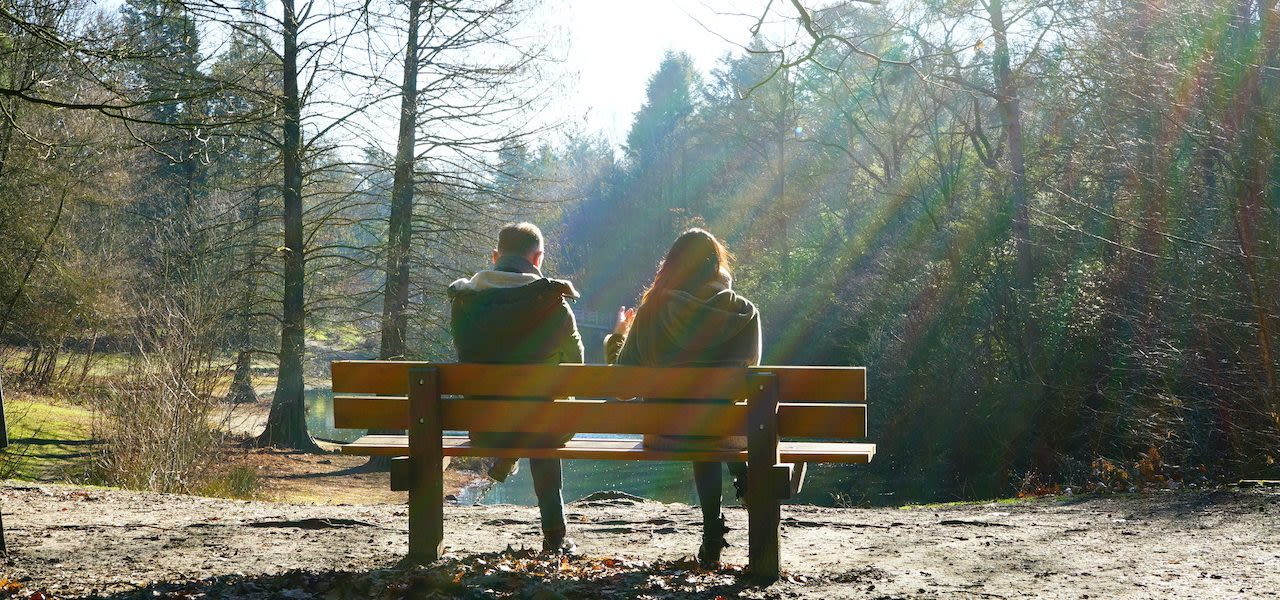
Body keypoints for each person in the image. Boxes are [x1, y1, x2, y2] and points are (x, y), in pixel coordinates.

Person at [604, 228, 761, 568]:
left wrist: (616, 339)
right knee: (711, 418)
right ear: (717, 267)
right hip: (725, 429)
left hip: (665, 431)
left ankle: (711, 536)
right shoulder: (744, 312)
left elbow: (622, 386)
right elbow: (750, 376)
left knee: (696, 420)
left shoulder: (652, 310)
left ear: (671, 265)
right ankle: (743, 483)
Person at [447, 222, 584, 554]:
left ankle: (508, 456)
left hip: (486, 426)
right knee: (543, 416)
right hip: (543, 427)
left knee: (530, 413)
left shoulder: (464, 301)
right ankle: (554, 536)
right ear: (537, 259)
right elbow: (578, 367)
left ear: (495, 256)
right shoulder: (554, 303)